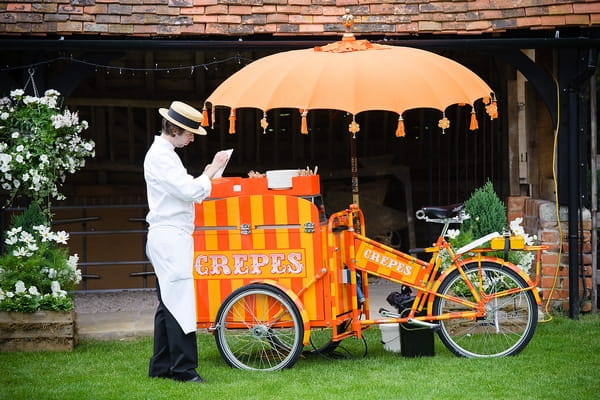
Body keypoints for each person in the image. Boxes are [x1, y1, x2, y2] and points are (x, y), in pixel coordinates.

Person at [144, 100, 229, 383]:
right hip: (170, 236)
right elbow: (187, 191)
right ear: (176, 129)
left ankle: (161, 366)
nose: (193, 137)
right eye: (190, 132)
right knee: (179, 301)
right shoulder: (161, 156)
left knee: (168, 303)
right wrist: (210, 172)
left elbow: (186, 189)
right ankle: (183, 370)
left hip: (168, 235)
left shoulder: (165, 154)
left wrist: (206, 176)